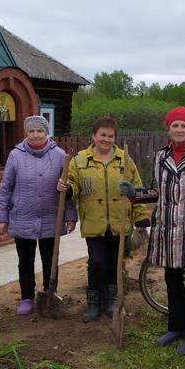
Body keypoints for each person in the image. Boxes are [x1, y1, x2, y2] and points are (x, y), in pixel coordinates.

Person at [121, 106, 185, 355]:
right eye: (175, 125)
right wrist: (136, 194)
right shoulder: (160, 156)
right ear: (169, 128)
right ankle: (176, 327)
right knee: (172, 279)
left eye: (183, 126)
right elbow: (157, 191)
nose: (178, 129)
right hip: (167, 227)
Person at [57, 116, 150, 322]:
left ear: (114, 138)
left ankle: (110, 301)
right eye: (102, 135)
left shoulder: (125, 160)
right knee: (97, 261)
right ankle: (93, 302)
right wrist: (67, 188)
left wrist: (141, 217)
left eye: (110, 136)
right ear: (94, 136)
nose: (106, 139)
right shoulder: (80, 160)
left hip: (119, 222)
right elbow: (73, 185)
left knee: (113, 264)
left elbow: (138, 189)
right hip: (94, 221)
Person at [0, 115, 77, 315]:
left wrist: (70, 215)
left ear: (46, 132)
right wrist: (1, 217)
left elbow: (67, 188)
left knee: (50, 259)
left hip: (51, 216)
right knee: (25, 260)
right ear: (26, 133)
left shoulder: (59, 155)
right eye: (31, 131)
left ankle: (51, 294)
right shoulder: (15, 155)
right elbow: (6, 188)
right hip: (22, 216)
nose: (36, 135)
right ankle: (26, 298)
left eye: (39, 130)